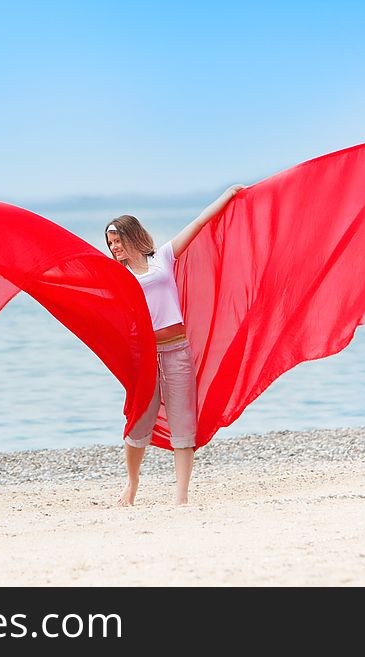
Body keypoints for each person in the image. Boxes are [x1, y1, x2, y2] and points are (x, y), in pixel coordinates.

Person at [106, 184, 246, 506]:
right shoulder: (117, 276)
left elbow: (198, 223)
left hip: (177, 350)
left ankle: (181, 496)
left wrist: (226, 196)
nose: (114, 248)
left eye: (118, 241)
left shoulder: (163, 258)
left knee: (184, 423)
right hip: (144, 357)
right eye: (110, 243)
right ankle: (132, 484)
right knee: (140, 419)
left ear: (132, 236)